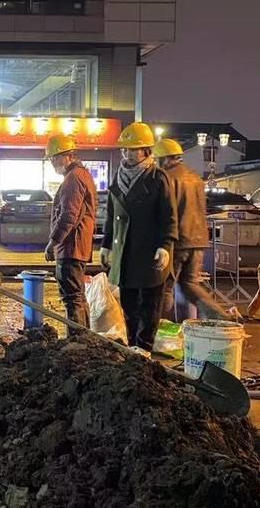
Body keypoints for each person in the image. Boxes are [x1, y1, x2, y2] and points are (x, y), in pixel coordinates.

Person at [102, 122, 177, 352]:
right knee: (129, 305)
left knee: (149, 306)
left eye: (133, 150)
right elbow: (111, 214)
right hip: (125, 253)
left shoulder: (158, 178)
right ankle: (132, 346)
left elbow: (169, 216)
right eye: (125, 149)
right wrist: (106, 244)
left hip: (149, 253)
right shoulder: (118, 177)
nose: (128, 154)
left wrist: (165, 245)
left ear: (146, 150)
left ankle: (144, 349)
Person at [154, 137, 230, 321]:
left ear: (164, 159)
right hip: (198, 239)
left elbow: (166, 212)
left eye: (157, 159)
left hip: (178, 240)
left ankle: (160, 328)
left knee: (165, 287)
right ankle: (220, 316)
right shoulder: (195, 177)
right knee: (190, 283)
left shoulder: (167, 178)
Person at [44, 135, 97, 328]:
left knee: (72, 297)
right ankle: (83, 337)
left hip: (71, 247)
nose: (52, 163)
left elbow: (68, 215)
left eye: (54, 159)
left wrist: (53, 242)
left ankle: (77, 338)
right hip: (75, 246)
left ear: (66, 156)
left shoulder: (74, 178)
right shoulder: (80, 175)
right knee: (77, 296)